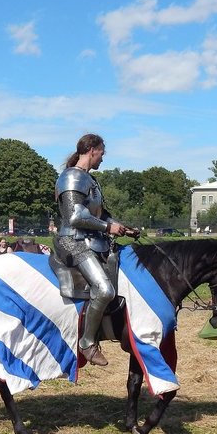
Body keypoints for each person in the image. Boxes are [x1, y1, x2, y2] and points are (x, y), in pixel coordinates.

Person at [54, 134, 139, 367]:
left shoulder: (90, 180)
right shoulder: (72, 177)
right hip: (73, 242)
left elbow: (101, 214)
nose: (103, 157)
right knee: (103, 289)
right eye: (102, 152)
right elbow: (74, 216)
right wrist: (108, 227)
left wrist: (123, 228)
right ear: (91, 150)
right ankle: (87, 343)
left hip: (94, 241)